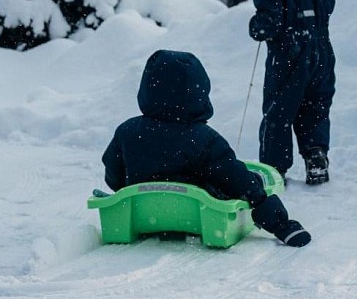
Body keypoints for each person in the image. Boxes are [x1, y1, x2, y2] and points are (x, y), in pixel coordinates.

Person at [102, 49, 311, 247]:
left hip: (143, 214)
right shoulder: (203, 138)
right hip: (196, 215)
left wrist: (130, 190)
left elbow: (113, 175)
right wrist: (278, 221)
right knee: (246, 178)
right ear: (198, 92)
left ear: (148, 88)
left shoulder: (127, 131)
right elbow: (235, 178)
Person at [234, 0, 336, 185]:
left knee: (278, 112)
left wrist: (257, 27)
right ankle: (316, 157)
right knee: (314, 108)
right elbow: (328, 1)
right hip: (321, 55)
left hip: (288, 57)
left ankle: (273, 169)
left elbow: (270, 22)